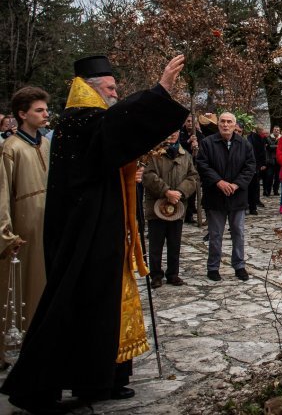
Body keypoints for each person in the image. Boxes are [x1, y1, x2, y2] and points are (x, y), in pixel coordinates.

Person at [1, 54, 188, 412]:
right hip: (82, 236)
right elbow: (116, 127)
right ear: (89, 88)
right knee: (73, 304)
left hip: (100, 231)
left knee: (101, 305)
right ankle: (39, 388)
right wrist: (160, 90)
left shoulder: (88, 123)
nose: (115, 94)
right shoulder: (76, 122)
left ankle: (99, 379)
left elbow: (115, 139)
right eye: (111, 88)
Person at [0, 87, 50, 371]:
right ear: (22, 114)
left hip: (46, 226)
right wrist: (6, 234)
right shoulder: (12, 147)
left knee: (42, 288)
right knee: (20, 289)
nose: (45, 115)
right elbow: (3, 193)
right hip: (24, 229)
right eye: (39, 110)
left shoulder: (45, 144)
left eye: (45, 110)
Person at [196, 112, 256, 283]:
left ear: (235, 125)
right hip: (215, 196)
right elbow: (202, 165)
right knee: (215, 234)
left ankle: (239, 265)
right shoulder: (208, 143)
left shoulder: (244, 144)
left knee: (238, 232)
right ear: (218, 124)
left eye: (229, 122)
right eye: (222, 121)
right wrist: (219, 182)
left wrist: (236, 184)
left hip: (237, 196)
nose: (225, 125)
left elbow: (250, 167)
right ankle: (213, 267)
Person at [141, 129, 199, 288]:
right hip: (157, 207)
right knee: (155, 244)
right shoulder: (154, 154)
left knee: (175, 243)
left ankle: (173, 274)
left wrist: (180, 192)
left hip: (177, 207)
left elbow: (193, 177)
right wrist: (166, 191)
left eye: (175, 131)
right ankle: (156, 275)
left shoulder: (185, 155)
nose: (172, 134)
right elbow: (148, 175)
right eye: (168, 131)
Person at [179, 114, 203, 224]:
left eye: (192, 121)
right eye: (188, 121)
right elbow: (178, 145)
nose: (190, 123)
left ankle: (189, 215)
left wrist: (196, 147)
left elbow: (203, 149)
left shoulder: (199, 134)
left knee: (192, 189)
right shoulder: (180, 132)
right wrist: (188, 142)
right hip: (180, 165)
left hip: (193, 165)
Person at [247, 126, 268, 215]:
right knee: (251, 187)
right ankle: (250, 206)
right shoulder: (251, 138)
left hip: (255, 165)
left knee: (254, 187)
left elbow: (262, 152)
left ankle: (253, 206)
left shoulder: (260, 139)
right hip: (251, 165)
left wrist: (262, 164)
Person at [263, 125, 281, 196]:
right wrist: (277, 146)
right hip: (270, 160)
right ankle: (268, 191)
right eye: (275, 129)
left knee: (278, 178)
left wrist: (272, 146)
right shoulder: (268, 138)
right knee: (269, 176)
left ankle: (275, 190)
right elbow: (269, 147)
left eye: (278, 130)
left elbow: (272, 146)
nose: (276, 131)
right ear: (272, 130)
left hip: (279, 161)